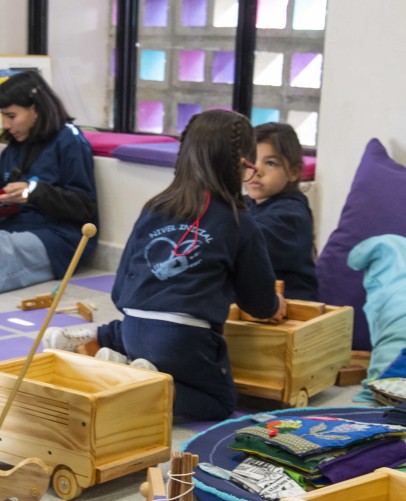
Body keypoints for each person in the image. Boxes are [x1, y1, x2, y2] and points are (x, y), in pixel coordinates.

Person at [44, 110, 287, 421]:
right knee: (220, 400)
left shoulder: (154, 207)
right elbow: (258, 302)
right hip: (186, 339)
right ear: (240, 166)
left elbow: (120, 290)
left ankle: (128, 364)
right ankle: (146, 385)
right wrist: (273, 304)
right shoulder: (240, 222)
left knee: (149, 335)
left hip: (134, 328)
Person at [0, 71, 97, 298]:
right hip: (13, 230)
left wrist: (34, 192)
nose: (6, 125)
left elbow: (85, 207)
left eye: (11, 116)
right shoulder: (14, 148)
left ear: (35, 109)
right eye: (3, 117)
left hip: (58, 237)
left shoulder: (69, 141)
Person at [245, 122, 319, 301]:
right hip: (257, 304)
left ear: (294, 172)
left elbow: (247, 243)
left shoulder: (291, 215)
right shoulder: (243, 202)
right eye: (250, 161)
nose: (257, 170)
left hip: (291, 311)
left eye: (270, 163)